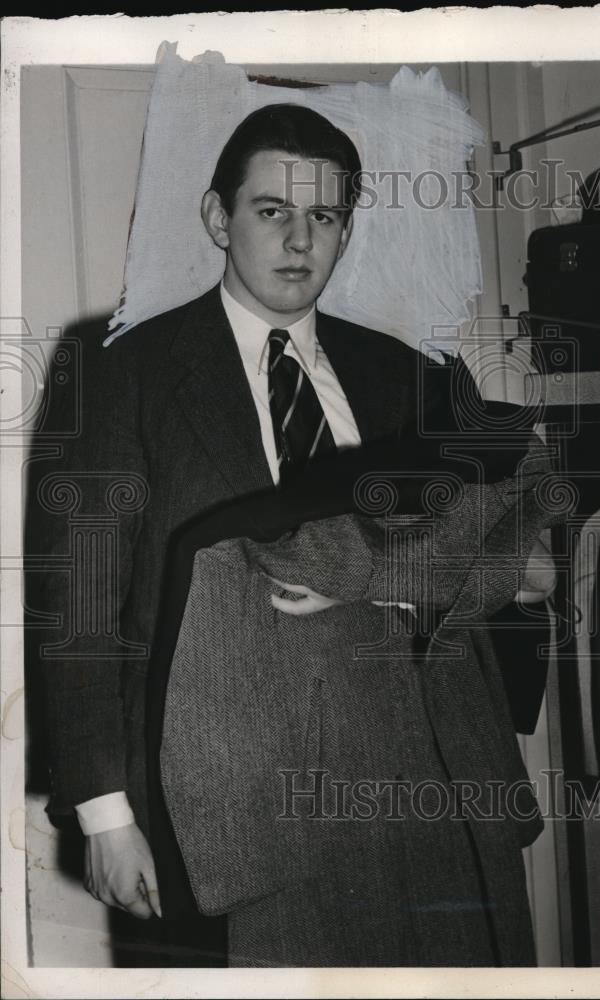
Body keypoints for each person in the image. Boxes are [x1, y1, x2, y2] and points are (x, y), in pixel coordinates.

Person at [27, 102, 554, 967]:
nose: (300, 240)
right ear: (218, 218)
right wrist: (106, 816)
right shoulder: (126, 376)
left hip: (417, 778)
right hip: (218, 797)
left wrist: (380, 576)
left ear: (348, 228)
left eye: (325, 216)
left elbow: (524, 567)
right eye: (272, 211)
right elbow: (81, 607)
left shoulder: (410, 378)